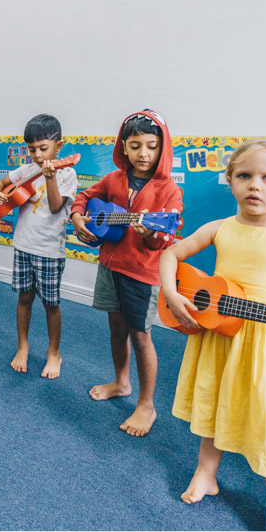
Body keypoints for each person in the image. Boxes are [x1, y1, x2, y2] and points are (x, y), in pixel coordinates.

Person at [159, 139, 266, 531]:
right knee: (217, 404)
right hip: (222, 337)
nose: (255, 185)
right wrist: (170, 293)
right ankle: (206, 474)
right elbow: (170, 255)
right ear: (230, 180)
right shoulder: (219, 229)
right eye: (245, 175)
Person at [70, 110, 183, 437]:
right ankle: (121, 382)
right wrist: (77, 217)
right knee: (116, 329)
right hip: (109, 266)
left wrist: (151, 233)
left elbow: (165, 238)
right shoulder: (113, 179)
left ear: (162, 148)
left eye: (151, 146)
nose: (143, 153)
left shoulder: (169, 190)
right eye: (135, 146)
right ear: (123, 147)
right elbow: (85, 197)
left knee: (141, 336)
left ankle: (147, 405)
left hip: (141, 274)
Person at [0, 114, 77, 378]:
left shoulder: (67, 173)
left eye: (43, 148)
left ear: (58, 146)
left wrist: (50, 178)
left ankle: (54, 353)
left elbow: (55, 207)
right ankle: (23, 346)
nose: (37, 155)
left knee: (50, 304)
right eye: (31, 149)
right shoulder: (26, 170)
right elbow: (2, 183)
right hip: (22, 246)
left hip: (49, 251)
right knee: (24, 298)